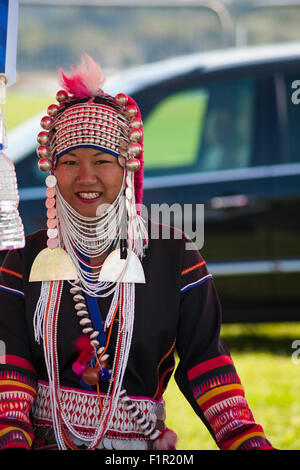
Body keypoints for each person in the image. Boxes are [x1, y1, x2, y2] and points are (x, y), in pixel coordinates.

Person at [0, 56, 273, 451]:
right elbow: (11, 366)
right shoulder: (25, 257)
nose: (85, 177)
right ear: (52, 170)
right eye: (70, 162)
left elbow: (205, 362)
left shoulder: (174, 256)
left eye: (102, 162)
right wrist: (11, 440)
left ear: (127, 169)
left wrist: (246, 441)